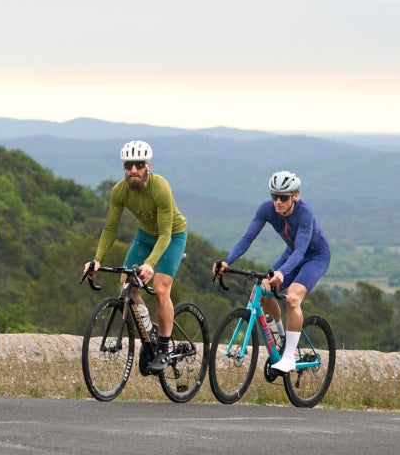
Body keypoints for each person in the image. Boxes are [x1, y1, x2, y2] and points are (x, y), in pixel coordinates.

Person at [82, 140, 190, 372]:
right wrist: (97, 259)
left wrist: (150, 264)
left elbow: (165, 234)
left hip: (172, 235)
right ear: (123, 167)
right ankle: (148, 331)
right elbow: (110, 229)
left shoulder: (160, 187)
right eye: (128, 165)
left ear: (147, 166)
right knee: (126, 284)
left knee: (161, 290)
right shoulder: (119, 191)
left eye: (138, 165)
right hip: (144, 237)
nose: (133, 170)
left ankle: (162, 347)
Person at [213, 171, 330, 372]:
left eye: (283, 197)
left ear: (295, 196)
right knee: (265, 289)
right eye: (274, 196)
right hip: (291, 254)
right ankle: (280, 339)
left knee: (293, 298)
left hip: (315, 258)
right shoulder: (267, 210)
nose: (278, 202)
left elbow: (301, 250)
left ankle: (289, 357)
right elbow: (247, 238)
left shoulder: (304, 213)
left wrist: (282, 272)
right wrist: (226, 261)